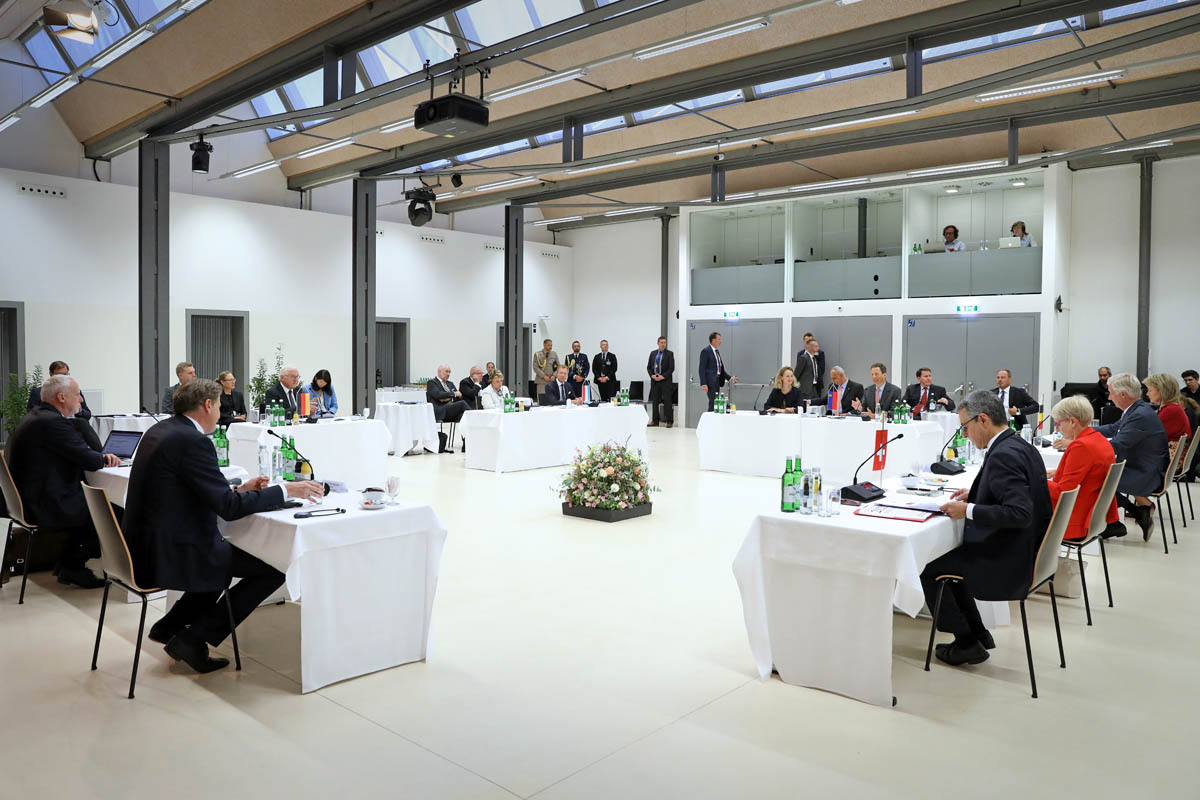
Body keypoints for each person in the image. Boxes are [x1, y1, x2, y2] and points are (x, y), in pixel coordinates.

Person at [123, 379, 323, 674]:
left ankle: (170, 625)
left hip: (145, 542)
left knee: (223, 558)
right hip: (170, 549)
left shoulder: (163, 430)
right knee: (274, 566)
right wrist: (286, 491)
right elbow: (228, 510)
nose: (219, 414)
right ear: (206, 405)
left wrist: (239, 490)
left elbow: (193, 488)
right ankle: (194, 638)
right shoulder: (193, 441)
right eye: (218, 406)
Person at [922, 390, 1052, 666]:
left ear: (982, 419)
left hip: (1007, 559)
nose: (965, 435)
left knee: (929, 567)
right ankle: (977, 634)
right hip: (1025, 548)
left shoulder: (1003, 455)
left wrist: (966, 510)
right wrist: (979, 493)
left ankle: (967, 642)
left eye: (965, 428)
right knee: (948, 562)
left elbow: (1019, 512)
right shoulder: (1018, 445)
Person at [4, 375, 120, 589]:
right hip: (44, 503)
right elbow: (89, 459)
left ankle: (67, 564)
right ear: (61, 397)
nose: (81, 401)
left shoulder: (35, 417)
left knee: (99, 505)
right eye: (78, 395)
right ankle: (73, 566)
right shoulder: (53, 423)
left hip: (29, 498)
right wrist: (103, 457)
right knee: (112, 510)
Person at [1095, 373, 1168, 540]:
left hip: (1145, 472)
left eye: (1111, 393)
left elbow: (1117, 444)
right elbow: (1113, 428)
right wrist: (1084, 431)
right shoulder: (1137, 409)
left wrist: (1081, 442)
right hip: (1142, 465)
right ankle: (1134, 512)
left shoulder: (1139, 415)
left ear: (1123, 394)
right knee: (1099, 472)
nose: (1110, 397)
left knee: (1095, 476)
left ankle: (1114, 524)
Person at [1046, 395, 1122, 541]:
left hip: (1071, 521)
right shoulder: (1099, 439)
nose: (1058, 429)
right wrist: (1057, 472)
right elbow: (1091, 471)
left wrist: (1035, 479)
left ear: (1073, 421)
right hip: (1093, 518)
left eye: (1058, 424)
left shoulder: (1081, 446)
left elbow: (1063, 492)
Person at [27, 360, 92, 420]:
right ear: (51, 374)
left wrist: (79, 411)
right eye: (58, 375)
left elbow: (88, 415)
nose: (62, 378)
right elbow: (32, 415)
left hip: (73, 425)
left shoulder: (74, 391)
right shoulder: (38, 392)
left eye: (65, 375)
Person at [698, 332, 737, 412]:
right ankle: (709, 422)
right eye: (719, 339)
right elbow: (702, 368)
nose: (720, 341)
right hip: (710, 382)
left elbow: (721, 369)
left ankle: (713, 421)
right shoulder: (705, 351)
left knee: (716, 403)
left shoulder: (717, 352)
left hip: (717, 381)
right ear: (713, 340)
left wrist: (730, 377)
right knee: (713, 402)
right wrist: (703, 383)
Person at [646, 336, 675, 428]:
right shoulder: (653, 353)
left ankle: (669, 421)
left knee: (667, 401)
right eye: (661, 342)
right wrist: (652, 375)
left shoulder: (669, 354)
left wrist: (663, 376)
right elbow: (649, 367)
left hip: (665, 381)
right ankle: (655, 421)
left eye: (664, 343)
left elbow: (671, 368)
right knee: (655, 401)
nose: (663, 344)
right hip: (655, 381)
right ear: (658, 343)